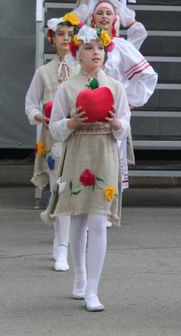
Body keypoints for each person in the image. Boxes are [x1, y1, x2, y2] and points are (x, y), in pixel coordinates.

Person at [45, 25, 131, 312]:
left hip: (104, 153)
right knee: (78, 219)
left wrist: (116, 124)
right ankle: (79, 277)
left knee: (97, 221)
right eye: (88, 48)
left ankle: (93, 288)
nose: (96, 53)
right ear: (77, 54)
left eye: (99, 48)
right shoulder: (67, 88)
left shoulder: (115, 87)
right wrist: (71, 123)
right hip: (78, 153)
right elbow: (55, 127)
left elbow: (125, 124)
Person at [83, 1, 158, 194]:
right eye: (100, 12)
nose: (104, 16)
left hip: (111, 110)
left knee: (111, 156)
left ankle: (107, 207)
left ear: (115, 18)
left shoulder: (121, 46)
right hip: (85, 108)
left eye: (109, 13)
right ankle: (84, 207)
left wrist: (128, 103)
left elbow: (148, 75)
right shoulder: (82, 43)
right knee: (85, 157)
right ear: (93, 17)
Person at [25, 14, 80, 272]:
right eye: (60, 35)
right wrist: (41, 117)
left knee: (74, 188)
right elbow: (30, 104)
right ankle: (60, 246)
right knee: (59, 187)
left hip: (78, 136)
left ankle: (69, 243)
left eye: (70, 35)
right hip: (53, 136)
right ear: (52, 39)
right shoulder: (44, 72)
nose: (66, 40)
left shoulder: (82, 70)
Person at [70, 0, 147, 50]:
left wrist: (126, 48)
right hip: (92, 51)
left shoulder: (119, 10)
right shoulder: (86, 10)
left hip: (113, 51)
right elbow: (66, 25)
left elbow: (140, 31)